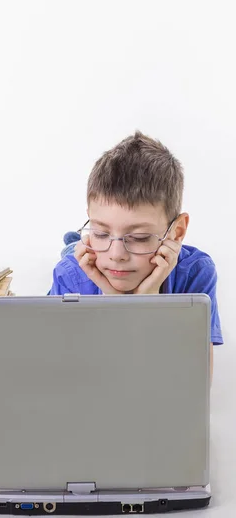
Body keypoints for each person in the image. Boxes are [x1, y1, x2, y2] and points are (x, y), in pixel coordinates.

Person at [49, 131, 223, 378]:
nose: (116, 254)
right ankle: (75, 242)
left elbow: (195, 383)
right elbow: (66, 375)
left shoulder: (196, 273)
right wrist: (112, 299)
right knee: (73, 252)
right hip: (84, 260)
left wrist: (147, 303)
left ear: (177, 232)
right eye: (100, 232)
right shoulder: (69, 274)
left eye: (139, 237)